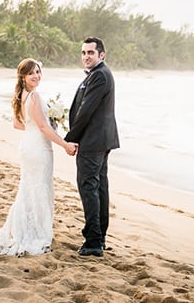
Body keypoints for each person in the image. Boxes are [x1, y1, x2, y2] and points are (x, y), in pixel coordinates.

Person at [0, 58, 78, 257]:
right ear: (23, 77)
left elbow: (18, 124)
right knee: (39, 188)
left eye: (38, 72)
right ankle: (35, 232)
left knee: (29, 187)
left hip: (28, 145)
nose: (36, 76)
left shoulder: (20, 95)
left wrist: (38, 126)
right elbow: (43, 127)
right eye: (31, 73)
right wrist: (65, 144)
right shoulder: (34, 97)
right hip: (38, 149)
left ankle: (23, 228)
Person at [65, 37, 120, 257]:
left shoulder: (100, 76)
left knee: (90, 188)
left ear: (101, 55)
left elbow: (86, 111)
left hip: (93, 141)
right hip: (101, 140)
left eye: (90, 52)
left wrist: (70, 138)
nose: (86, 56)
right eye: (83, 53)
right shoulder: (98, 75)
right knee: (98, 188)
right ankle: (99, 237)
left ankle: (94, 241)